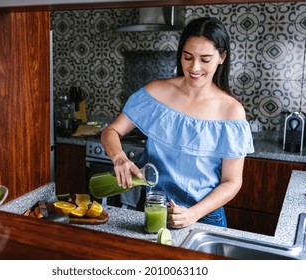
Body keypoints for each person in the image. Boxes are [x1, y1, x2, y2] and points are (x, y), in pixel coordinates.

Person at [100, 17, 254, 228]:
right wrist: (119, 158)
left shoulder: (231, 111)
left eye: (205, 59)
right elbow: (112, 131)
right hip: (153, 207)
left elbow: (232, 182)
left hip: (204, 217)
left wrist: (193, 214)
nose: (194, 67)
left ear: (222, 57)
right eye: (187, 57)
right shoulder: (156, 92)